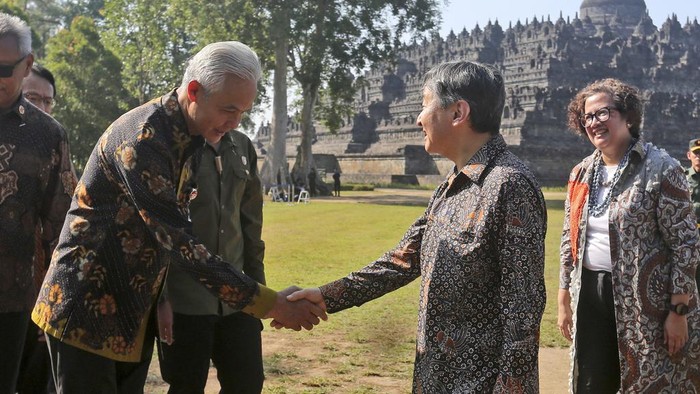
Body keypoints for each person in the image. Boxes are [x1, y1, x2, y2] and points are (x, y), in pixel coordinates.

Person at [31, 41, 326, 393]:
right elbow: (181, 243)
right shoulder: (145, 139)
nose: (234, 123)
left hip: (132, 312)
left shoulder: (190, 137)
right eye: (228, 109)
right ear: (195, 91)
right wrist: (270, 303)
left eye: (243, 113)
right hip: (85, 309)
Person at [282, 61, 547, 393]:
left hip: (482, 382)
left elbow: (524, 305)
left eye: (425, 105)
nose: (418, 118)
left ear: (458, 112)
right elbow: (403, 260)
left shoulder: (510, 185)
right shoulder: (453, 183)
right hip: (435, 375)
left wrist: (512, 388)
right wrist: (325, 296)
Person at [557, 78, 700, 393]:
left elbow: (686, 245)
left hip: (648, 304)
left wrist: (679, 311)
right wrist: (564, 294)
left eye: (603, 113)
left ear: (629, 116)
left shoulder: (662, 169)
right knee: (593, 381)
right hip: (591, 295)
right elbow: (570, 237)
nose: (594, 122)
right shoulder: (580, 172)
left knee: (646, 380)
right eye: (588, 117)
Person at [157, 127, 267, 393]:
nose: (236, 117)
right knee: (186, 385)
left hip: (238, 295)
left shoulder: (241, 146)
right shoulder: (173, 147)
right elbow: (157, 230)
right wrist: (161, 299)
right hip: (186, 300)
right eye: (229, 106)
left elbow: (251, 226)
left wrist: (259, 296)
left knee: (248, 382)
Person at [0, 13, 76, 394]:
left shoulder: (48, 135)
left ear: (27, 64)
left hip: (14, 300)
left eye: (4, 69)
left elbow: (64, 226)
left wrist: (56, 304)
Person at [16, 63, 60, 394]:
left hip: (39, 300)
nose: (41, 109)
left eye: (48, 102)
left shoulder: (58, 150)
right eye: (33, 98)